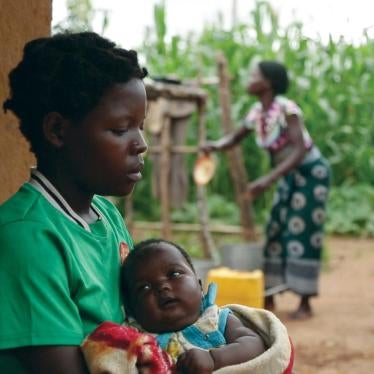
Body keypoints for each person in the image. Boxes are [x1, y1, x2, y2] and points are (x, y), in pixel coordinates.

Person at [0, 32, 148, 373]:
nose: (141, 144)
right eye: (121, 129)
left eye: (141, 127)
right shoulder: (28, 238)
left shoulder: (106, 216)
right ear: (58, 131)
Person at [202, 61, 330, 319]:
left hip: (310, 173)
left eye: (255, 76)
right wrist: (214, 146)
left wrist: (267, 180)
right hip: (286, 175)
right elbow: (235, 138)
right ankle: (269, 294)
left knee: (302, 231)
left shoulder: (287, 109)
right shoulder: (256, 113)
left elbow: (299, 150)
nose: (249, 79)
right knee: (274, 228)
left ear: (268, 83)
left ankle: (305, 301)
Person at [120, 239, 266, 373]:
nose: (162, 287)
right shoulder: (135, 339)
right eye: (145, 288)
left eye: (174, 274)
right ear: (131, 309)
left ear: (199, 285)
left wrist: (214, 359)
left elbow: (254, 344)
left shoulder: (216, 318)